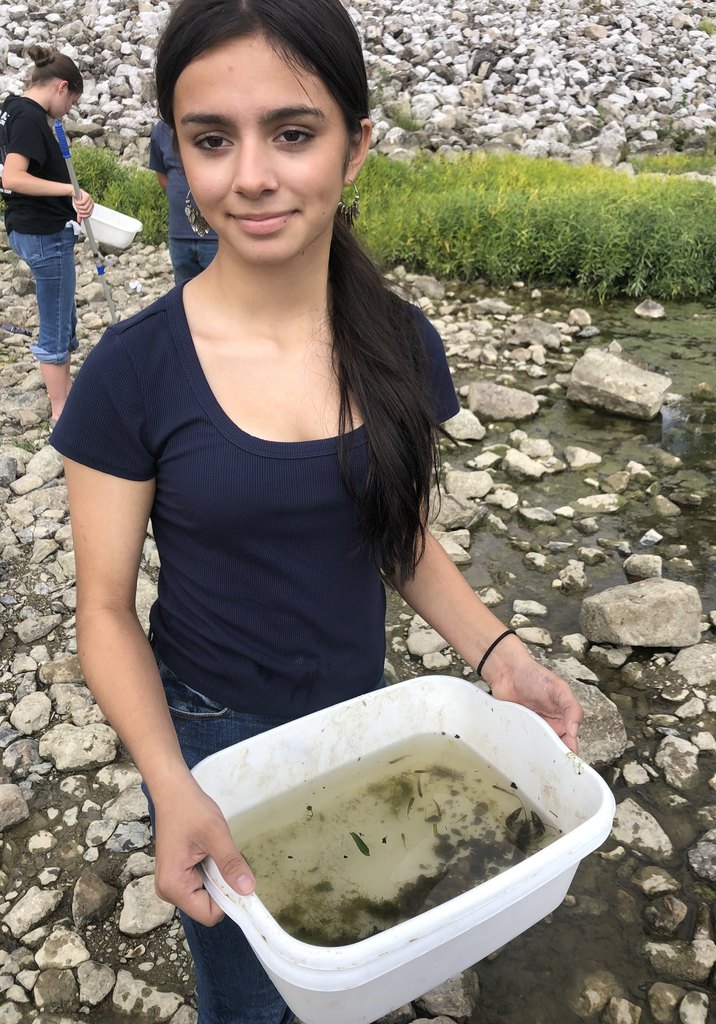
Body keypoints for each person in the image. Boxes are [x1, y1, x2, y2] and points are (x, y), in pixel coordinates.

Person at [51, 0, 583, 1021]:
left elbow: (399, 537)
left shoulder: (399, 343)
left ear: (354, 150)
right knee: (248, 994)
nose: (250, 175)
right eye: (212, 140)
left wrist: (502, 655)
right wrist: (171, 783)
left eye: (293, 133)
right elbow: (106, 611)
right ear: (179, 156)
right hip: (213, 730)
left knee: (360, 943)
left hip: (362, 710)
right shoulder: (133, 372)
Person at [1, 45, 93, 422]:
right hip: (42, 232)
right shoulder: (29, 118)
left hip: (31, 225)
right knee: (55, 321)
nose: (69, 110)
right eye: (71, 100)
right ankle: (62, 412)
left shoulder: (11, 107)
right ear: (60, 87)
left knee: (63, 311)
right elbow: (13, 176)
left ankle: (66, 393)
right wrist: (69, 191)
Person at [149, 118, 218, 284]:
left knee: (221, 292)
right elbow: (162, 177)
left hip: (216, 236)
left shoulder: (214, 124)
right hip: (179, 234)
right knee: (184, 292)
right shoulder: (161, 131)